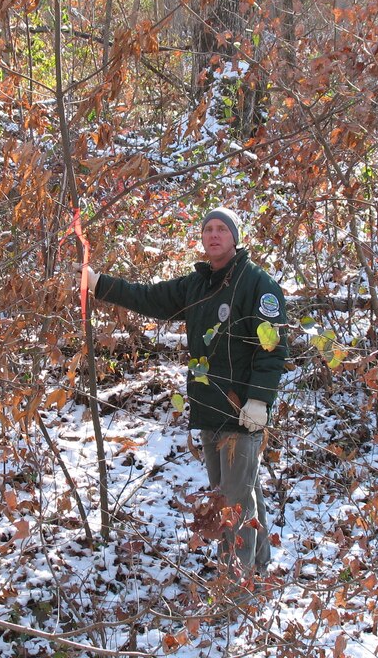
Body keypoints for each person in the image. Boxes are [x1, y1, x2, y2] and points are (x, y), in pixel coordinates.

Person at [77, 207, 288, 577]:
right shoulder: (198, 284)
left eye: (222, 229)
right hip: (210, 410)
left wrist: (259, 399)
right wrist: (98, 284)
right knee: (236, 494)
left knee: (232, 503)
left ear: (235, 237)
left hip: (242, 415)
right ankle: (258, 570)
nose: (214, 235)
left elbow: (271, 347)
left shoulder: (258, 285)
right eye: (208, 229)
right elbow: (150, 298)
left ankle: (234, 585)